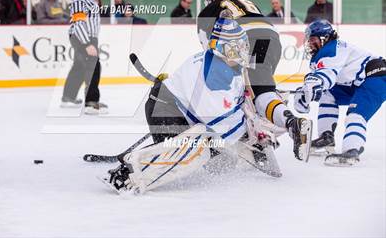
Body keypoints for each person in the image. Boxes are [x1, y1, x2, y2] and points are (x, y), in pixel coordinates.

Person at [105, 18, 311, 194]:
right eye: (235, 48)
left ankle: (152, 155)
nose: (240, 53)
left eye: (242, 46)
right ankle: (130, 175)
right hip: (165, 110)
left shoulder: (223, 63)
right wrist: (257, 128)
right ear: (221, 49)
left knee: (222, 164)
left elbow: (237, 102)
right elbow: (225, 130)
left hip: (175, 105)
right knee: (199, 148)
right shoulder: (212, 79)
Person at [197, 0, 310, 150]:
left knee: (253, 91)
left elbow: (207, 49)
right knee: (254, 88)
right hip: (272, 39)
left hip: (247, 39)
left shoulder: (210, 8)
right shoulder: (248, 3)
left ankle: (291, 123)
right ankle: (260, 125)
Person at [294, 19, 386, 166]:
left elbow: (327, 74)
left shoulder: (332, 49)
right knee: (327, 94)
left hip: (376, 78)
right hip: (358, 82)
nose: (309, 43)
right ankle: (327, 136)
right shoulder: (324, 52)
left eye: (312, 39)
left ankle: (351, 150)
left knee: (355, 115)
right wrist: (305, 91)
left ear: (324, 38)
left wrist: (313, 85)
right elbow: (321, 82)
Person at [61, 0, 107, 114]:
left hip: (87, 37)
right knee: (94, 66)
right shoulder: (79, 0)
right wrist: (87, 44)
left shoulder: (90, 0)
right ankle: (91, 103)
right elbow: (79, 23)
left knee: (79, 67)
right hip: (82, 37)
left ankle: (68, 97)